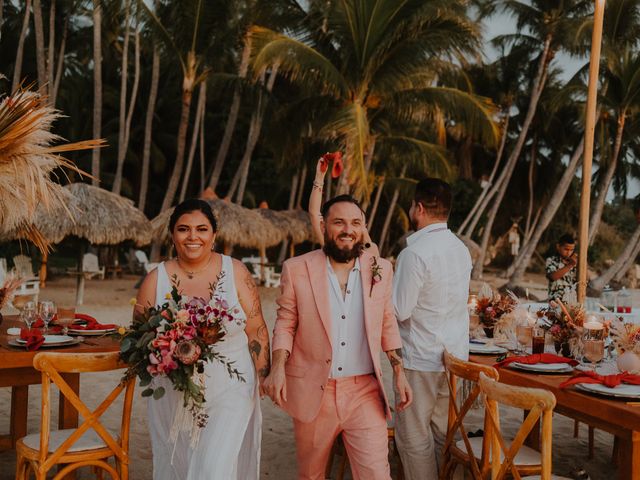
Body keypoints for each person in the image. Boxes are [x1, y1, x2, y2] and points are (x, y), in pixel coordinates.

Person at [264, 194, 413, 480]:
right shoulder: (297, 268)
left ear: (363, 227)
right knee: (311, 475)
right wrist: (278, 368)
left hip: (365, 392)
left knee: (376, 475)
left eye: (355, 222)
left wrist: (399, 372)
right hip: (314, 389)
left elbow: (387, 322)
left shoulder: (380, 268)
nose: (348, 229)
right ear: (324, 225)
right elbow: (285, 322)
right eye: (339, 222)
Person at [136, 198, 269, 480]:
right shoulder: (154, 280)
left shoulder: (236, 273)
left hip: (232, 386)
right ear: (172, 235)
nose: (193, 236)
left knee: (213, 469)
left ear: (214, 236)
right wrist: (166, 354)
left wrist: (264, 373)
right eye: (183, 229)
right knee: (178, 465)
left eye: (201, 229)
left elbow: (256, 328)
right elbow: (140, 339)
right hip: (173, 394)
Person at [392, 178, 472, 480]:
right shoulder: (461, 250)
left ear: (419, 208)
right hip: (455, 359)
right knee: (443, 434)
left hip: (420, 358)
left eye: (413, 205)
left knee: (413, 437)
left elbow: (400, 310)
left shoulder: (414, 254)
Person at [309, 156, 379, 255]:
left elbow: (374, 262)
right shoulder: (334, 245)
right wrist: (319, 177)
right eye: (341, 222)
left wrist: (364, 235)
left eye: (356, 222)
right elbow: (314, 213)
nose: (349, 228)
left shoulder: (371, 249)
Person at [546, 233, 578, 301]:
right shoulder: (551, 260)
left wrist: (583, 264)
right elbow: (553, 277)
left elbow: (585, 279)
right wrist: (570, 265)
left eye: (571, 250)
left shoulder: (575, 262)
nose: (569, 253)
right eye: (566, 249)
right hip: (555, 301)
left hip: (571, 301)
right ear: (558, 247)